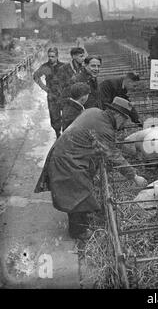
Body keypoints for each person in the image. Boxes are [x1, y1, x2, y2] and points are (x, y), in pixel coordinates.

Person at [34, 97, 148, 240]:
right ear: (118, 115)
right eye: (125, 120)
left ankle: (82, 222)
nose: (124, 124)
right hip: (68, 160)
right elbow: (112, 154)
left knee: (78, 192)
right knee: (77, 194)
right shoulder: (104, 128)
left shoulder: (95, 112)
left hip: (65, 151)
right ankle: (78, 232)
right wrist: (134, 176)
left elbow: (95, 143)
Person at [33, 47, 65, 138]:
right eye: (49, 56)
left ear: (57, 56)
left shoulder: (63, 66)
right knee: (54, 116)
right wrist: (44, 88)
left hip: (63, 94)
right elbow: (35, 76)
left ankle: (66, 133)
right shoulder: (45, 67)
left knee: (66, 114)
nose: (51, 58)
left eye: (53, 56)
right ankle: (58, 134)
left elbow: (70, 78)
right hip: (52, 95)